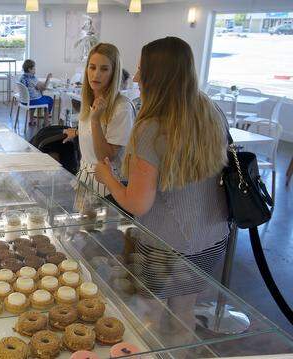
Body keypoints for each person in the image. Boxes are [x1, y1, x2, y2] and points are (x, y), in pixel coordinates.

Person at [94, 37, 229, 335]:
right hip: (212, 237)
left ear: (159, 75)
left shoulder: (151, 126)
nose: (138, 77)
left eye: (143, 70)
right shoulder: (212, 111)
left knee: (150, 317)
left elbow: (137, 203)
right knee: (184, 311)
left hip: (165, 245)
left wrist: (108, 178)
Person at [62, 43, 134, 198]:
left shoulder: (121, 108)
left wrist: (95, 121)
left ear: (114, 73)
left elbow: (105, 157)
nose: (96, 75)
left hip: (108, 186)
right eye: (92, 67)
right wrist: (76, 132)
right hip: (85, 177)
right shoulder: (89, 99)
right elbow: (90, 133)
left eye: (104, 69)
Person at [19, 59, 53, 125]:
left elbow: (36, 86)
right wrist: (48, 78)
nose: (35, 70)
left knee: (37, 97)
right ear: (29, 69)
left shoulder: (22, 77)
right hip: (33, 101)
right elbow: (44, 88)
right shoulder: (32, 78)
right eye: (34, 68)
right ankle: (46, 121)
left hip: (24, 101)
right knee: (50, 100)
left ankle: (31, 120)